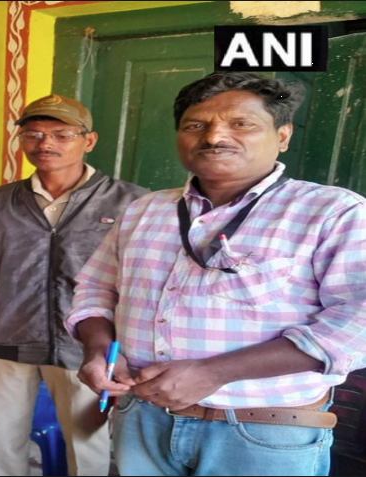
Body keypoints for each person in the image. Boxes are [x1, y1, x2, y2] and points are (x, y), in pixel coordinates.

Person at [67, 71, 366, 476]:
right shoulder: (144, 210)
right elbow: (95, 289)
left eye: (241, 124)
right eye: (196, 125)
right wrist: (97, 349)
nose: (213, 137)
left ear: (283, 136)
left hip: (261, 432)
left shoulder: (333, 212)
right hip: (142, 417)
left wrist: (214, 373)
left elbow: (357, 323)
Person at [0, 94, 147, 476]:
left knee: (87, 445)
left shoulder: (132, 202)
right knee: (0, 441)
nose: (45, 144)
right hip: (3, 338)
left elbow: (141, 282)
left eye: (61, 134)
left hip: (88, 346)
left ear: (89, 141)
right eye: (33, 135)